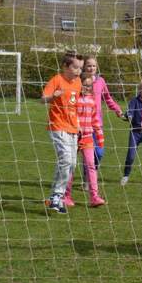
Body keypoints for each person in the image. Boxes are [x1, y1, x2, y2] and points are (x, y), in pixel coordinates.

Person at [42, 52, 84, 214]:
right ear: (65, 66)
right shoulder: (56, 80)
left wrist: (78, 123)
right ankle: (56, 196)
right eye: (75, 67)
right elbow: (43, 98)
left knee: (72, 163)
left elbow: (74, 106)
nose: (78, 71)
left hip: (73, 127)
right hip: (57, 126)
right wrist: (53, 96)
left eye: (80, 68)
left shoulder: (78, 82)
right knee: (66, 159)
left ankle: (56, 197)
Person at [63, 74, 106, 208]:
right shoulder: (74, 98)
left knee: (91, 166)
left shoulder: (92, 101)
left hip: (88, 137)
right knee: (70, 166)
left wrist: (99, 136)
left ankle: (94, 197)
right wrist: (76, 125)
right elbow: (69, 113)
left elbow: (95, 120)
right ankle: (66, 196)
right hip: (73, 137)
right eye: (84, 85)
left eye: (89, 85)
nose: (87, 87)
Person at [82, 56, 123, 189]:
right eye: (89, 65)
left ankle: (91, 172)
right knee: (87, 152)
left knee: (99, 153)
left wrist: (117, 109)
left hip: (97, 124)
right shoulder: (79, 81)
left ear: (97, 67)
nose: (91, 68)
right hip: (83, 124)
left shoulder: (101, 81)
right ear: (84, 67)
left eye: (93, 66)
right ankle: (88, 179)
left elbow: (108, 98)